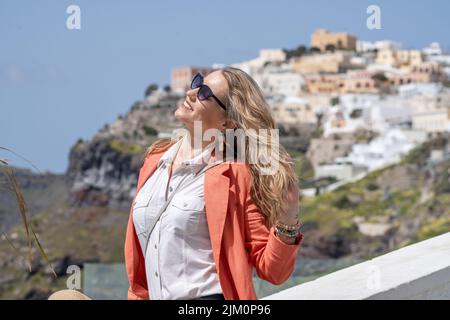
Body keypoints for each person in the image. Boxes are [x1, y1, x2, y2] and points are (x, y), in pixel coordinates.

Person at [124, 67, 304, 300]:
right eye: (197, 83)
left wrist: (288, 218)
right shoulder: (154, 162)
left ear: (227, 124)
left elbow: (272, 271)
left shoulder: (236, 176)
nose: (192, 92)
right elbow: (141, 268)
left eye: (205, 93)